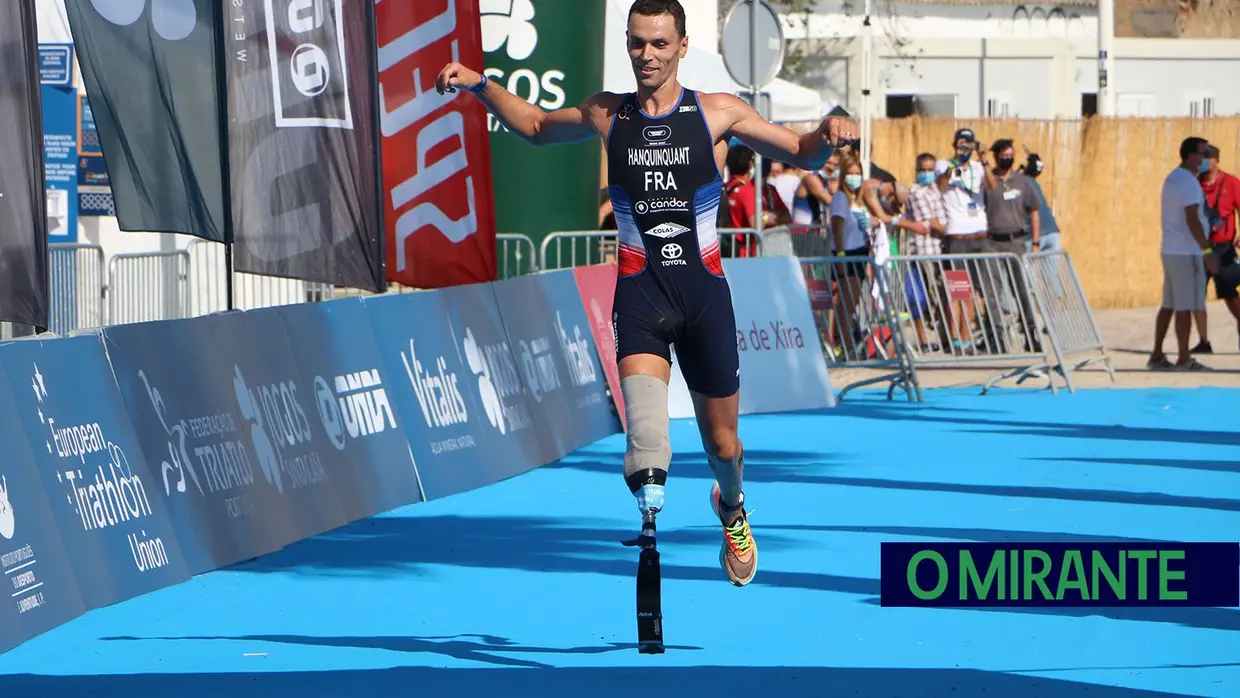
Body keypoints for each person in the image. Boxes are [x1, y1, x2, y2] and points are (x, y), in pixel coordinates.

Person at [435, 0, 855, 587]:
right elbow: (533, 128)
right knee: (648, 443)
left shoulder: (717, 114)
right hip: (640, 297)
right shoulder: (610, 115)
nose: (647, 55)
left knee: (724, 446)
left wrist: (829, 134)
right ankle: (650, 518)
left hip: (704, 298)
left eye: (659, 44)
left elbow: (801, 151)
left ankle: (731, 507)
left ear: (682, 46)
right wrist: (481, 84)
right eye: (637, 43)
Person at [1147, 136, 1219, 371]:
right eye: (1201, 154)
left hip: (1171, 249)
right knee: (1184, 307)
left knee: (1169, 304)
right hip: (1185, 252)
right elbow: (1192, 219)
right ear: (1190, 155)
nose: (1205, 159)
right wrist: (1207, 250)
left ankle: (1157, 354)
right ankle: (1184, 357)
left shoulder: (1173, 178)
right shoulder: (1188, 182)